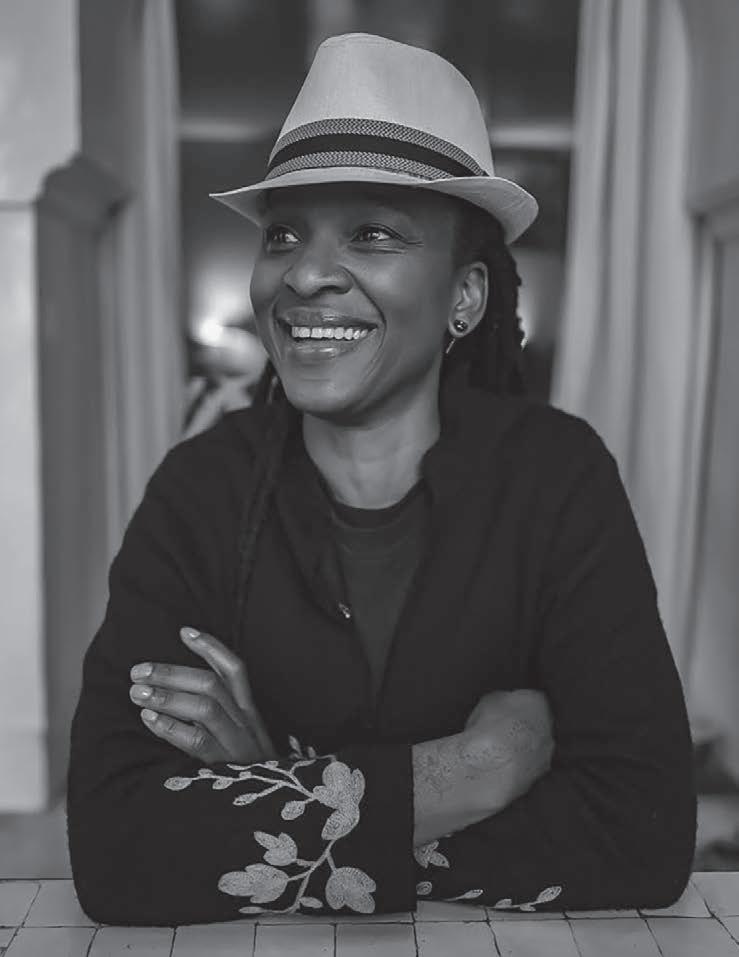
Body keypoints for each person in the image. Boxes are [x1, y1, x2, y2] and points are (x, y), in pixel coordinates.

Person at [66, 33, 696, 927]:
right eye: (283, 235)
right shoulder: (199, 487)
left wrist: (268, 786)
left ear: (464, 297)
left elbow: (641, 833)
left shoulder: (556, 475)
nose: (304, 274)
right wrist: (470, 773)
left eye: (372, 234)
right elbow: (115, 847)